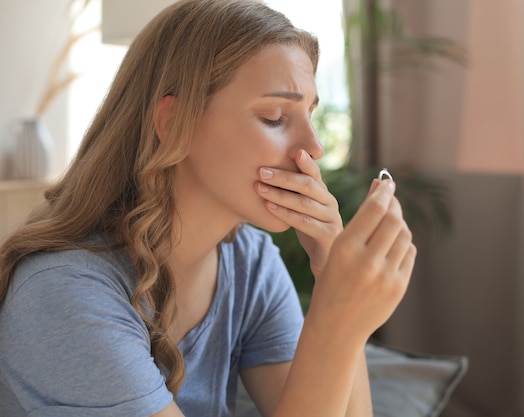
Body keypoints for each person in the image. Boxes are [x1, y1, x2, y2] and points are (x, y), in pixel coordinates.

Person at [0, 0, 417, 416]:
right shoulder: (64, 292)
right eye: (275, 117)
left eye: (309, 114)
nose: (314, 148)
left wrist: (332, 273)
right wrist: (338, 318)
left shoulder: (250, 264)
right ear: (173, 123)